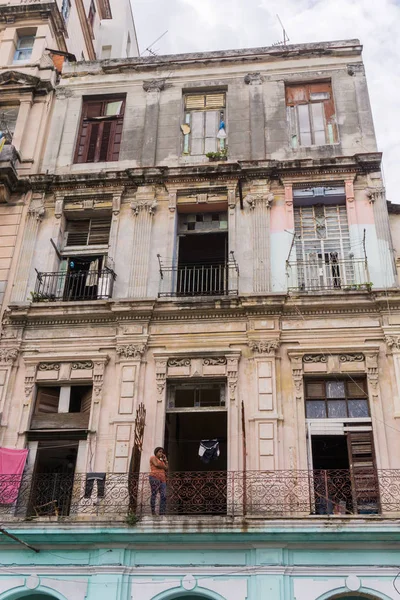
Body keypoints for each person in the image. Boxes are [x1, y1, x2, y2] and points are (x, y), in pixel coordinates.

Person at [149, 447, 168, 515]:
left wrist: (165, 461)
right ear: (156, 452)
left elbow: (167, 468)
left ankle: (162, 513)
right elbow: (156, 464)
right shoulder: (153, 457)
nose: (161, 453)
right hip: (154, 477)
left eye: (162, 452)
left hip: (163, 480)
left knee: (164, 495)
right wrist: (163, 465)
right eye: (160, 451)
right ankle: (153, 512)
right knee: (154, 494)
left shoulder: (162, 461)